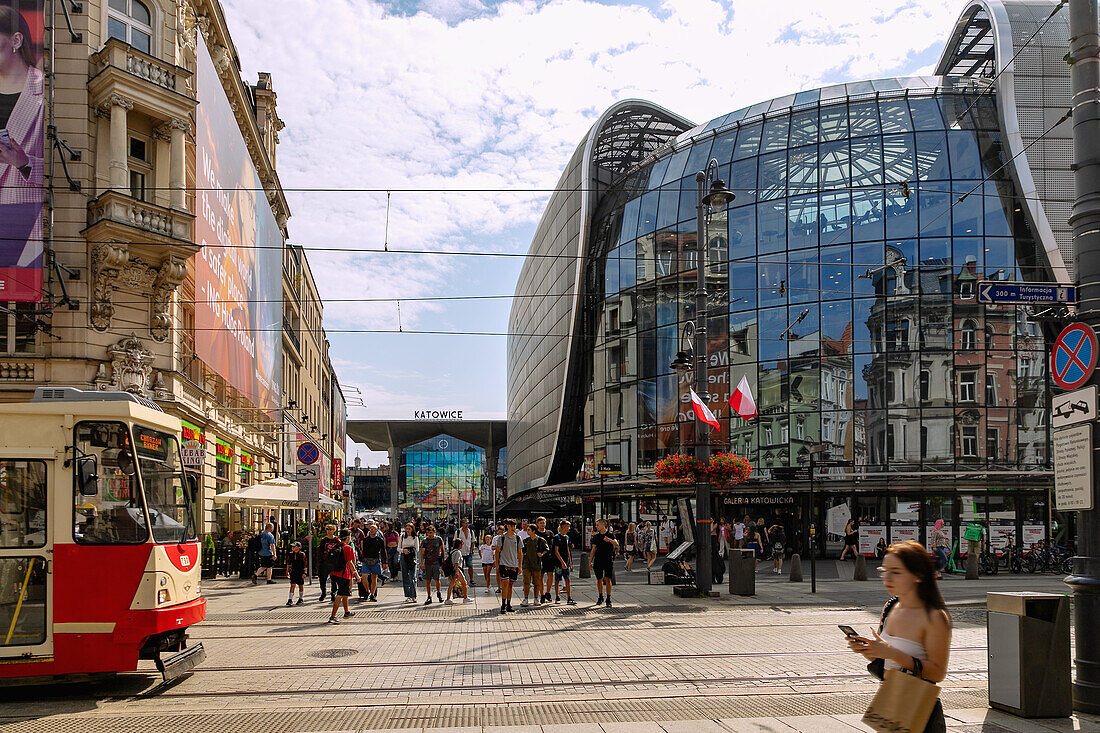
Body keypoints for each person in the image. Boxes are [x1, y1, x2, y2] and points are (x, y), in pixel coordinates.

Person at [847, 541, 951, 732]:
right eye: (884, 570)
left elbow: (937, 673)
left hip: (919, 708)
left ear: (918, 575)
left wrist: (892, 653)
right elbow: (883, 657)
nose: (887, 577)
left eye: (896, 571)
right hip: (891, 701)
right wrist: (866, 649)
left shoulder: (934, 616)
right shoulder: (891, 607)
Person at [328, 530, 360, 624]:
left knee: (345, 593)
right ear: (347, 538)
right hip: (344, 574)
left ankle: (347, 612)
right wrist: (357, 575)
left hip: (334, 573)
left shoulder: (335, 547)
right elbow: (350, 563)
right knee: (340, 594)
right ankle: (332, 616)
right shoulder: (348, 548)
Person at [493, 519, 523, 614]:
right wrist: (497, 564)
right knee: (505, 582)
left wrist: (520, 565)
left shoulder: (518, 538)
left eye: (514, 526)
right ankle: (503, 604)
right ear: (507, 527)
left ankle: (509, 604)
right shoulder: (502, 538)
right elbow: (497, 551)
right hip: (503, 563)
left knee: (510, 584)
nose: (513, 528)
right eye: (511, 526)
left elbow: (520, 552)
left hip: (514, 564)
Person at [589, 518, 618, 608]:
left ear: (603, 525)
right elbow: (593, 549)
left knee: (608, 579)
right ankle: (600, 596)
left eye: (598, 525)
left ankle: (608, 598)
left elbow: (616, 543)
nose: (596, 527)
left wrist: (609, 540)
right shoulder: (596, 537)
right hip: (598, 559)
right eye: (596, 525)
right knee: (599, 579)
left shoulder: (610, 535)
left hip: (608, 559)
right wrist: (590, 561)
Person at [521, 522, 549, 607]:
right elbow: (521, 552)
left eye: (529, 530)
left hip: (536, 564)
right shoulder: (525, 541)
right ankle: (525, 598)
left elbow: (546, 549)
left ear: (533, 531)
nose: (527, 531)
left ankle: (536, 598)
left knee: (536, 583)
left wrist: (542, 554)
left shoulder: (540, 540)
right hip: (527, 564)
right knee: (526, 582)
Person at [552, 520, 576, 605]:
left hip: (566, 561)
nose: (569, 528)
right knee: (557, 579)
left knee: (567, 579)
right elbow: (556, 551)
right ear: (563, 527)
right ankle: (557, 597)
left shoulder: (567, 537)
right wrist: (562, 562)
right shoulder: (557, 537)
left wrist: (569, 562)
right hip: (559, 563)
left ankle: (569, 597)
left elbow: (568, 550)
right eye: (567, 526)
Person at [420, 524, 445, 606]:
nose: (429, 534)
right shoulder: (425, 541)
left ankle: (438, 593)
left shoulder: (438, 539)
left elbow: (442, 549)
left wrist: (443, 560)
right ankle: (429, 596)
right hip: (428, 562)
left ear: (434, 532)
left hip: (436, 562)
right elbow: (422, 552)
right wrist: (422, 563)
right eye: (428, 533)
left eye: (430, 532)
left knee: (437, 579)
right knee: (428, 580)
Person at [360, 522, 386, 602]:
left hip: (375, 560)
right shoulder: (365, 540)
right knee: (364, 577)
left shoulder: (380, 540)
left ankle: (372, 594)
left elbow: (383, 551)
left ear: (376, 530)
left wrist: (385, 562)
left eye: (373, 529)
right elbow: (362, 550)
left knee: (374, 578)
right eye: (370, 529)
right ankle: (367, 591)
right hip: (366, 560)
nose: (371, 530)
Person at [445, 538, 473, 605]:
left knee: (451, 584)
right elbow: (456, 562)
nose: (462, 546)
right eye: (461, 544)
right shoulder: (457, 552)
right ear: (459, 544)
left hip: (452, 570)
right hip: (456, 569)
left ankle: (448, 599)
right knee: (464, 583)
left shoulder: (452, 551)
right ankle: (465, 598)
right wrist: (457, 571)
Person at [317, 524, 341, 602]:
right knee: (322, 579)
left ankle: (333, 593)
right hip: (324, 562)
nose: (329, 531)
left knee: (334, 579)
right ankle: (323, 593)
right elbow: (320, 551)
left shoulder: (337, 540)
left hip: (334, 562)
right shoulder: (323, 540)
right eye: (327, 529)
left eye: (330, 529)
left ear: (334, 530)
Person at [536, 516, 556, 603]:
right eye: (540, 523)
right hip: (540, 558)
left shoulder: (550, 533)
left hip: (549, 557)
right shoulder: (536, 533)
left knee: (550, 574)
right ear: (537, 524)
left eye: (543, 522)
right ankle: (542, 594)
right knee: (541, 576)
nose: (542, 524)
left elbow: (553, 544)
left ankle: (548, 592)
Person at [398, 522, 419, 603]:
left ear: (412, 529)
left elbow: (417, 549)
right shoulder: (402, 536)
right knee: (405, 576)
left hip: (412, 557)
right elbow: (398, 548)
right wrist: (403, 550)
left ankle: (413, 595)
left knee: (412, 577)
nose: (407, 530)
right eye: (406, 529)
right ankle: (408, 595)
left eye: (409, 529)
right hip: (404, 556)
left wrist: (410, 550)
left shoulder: (415, 537)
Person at [456, 518, 476, 587]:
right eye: (465, 523)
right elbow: (455, 541)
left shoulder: (471, 531)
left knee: (470, 566)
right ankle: (462, 580)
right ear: (462, 523)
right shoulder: (458, 531)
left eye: (468, 523)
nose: (467, 524)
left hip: (468, 552)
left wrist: (471, 550)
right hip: (460, 552)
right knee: (461, 567)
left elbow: (473, 541)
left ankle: (471, 580)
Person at [285, 541, 305, 606]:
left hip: (300, 571)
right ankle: (290, 599)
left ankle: (300, 598)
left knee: (300, 585)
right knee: (292, 585)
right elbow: (288, 563)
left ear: (298, 548)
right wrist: (287, 571)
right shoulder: (290, 554)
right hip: (293, 571)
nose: (292, 548)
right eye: (292, 546)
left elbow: (305, 564)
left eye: (294, 546)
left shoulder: (302, 554)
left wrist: (304, 573)